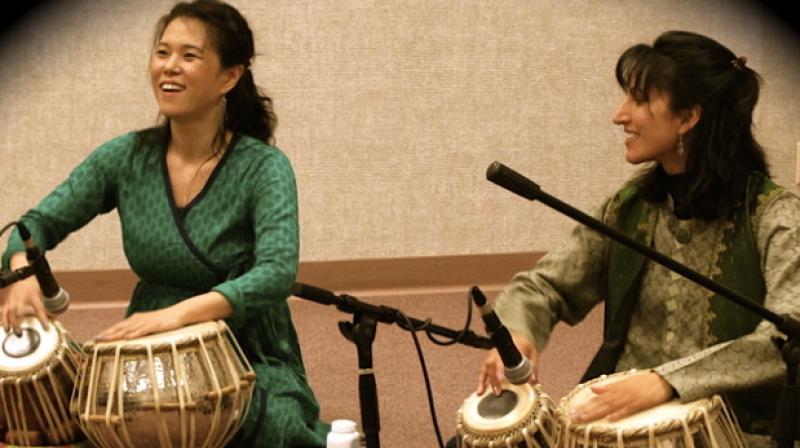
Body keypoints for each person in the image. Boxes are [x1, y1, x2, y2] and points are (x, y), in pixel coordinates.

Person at [1, 1, 329, 446]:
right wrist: (21, 269)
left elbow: (275, 274)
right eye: (162, 53)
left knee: (264, 426)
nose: (169, 68)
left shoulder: (264, 168)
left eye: (189, 56)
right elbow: (36, 223)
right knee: (42, 389)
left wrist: (175, 317)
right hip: (147, 345)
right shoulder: (124, 157)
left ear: (229, 77)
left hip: (241, 343)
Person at [476, 31, 800, 446]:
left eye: (640, 100)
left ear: (687, 118)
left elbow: (785, 337)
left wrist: (665, 382)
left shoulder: (776, 216)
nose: (619, 115)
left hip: (736, 430)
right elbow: (544, 285)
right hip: (621, 416)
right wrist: (520, 332)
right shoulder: (630, 208)